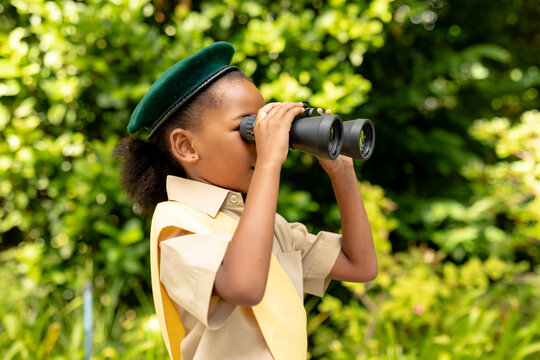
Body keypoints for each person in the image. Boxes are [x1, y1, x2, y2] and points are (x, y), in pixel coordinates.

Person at [114, 41, 378, 360]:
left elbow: (359, 265)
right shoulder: (176, 229)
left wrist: (341, 172)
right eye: (248, 129)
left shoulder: (261, 225)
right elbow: (244, 286)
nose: (262, 143)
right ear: (185, 146)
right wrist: (269, 161)